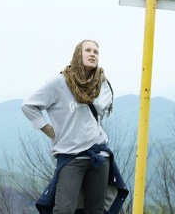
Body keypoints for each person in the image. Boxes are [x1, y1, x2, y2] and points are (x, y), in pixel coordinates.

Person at [21, 39, 128, 214]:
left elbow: (100, 108)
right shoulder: (59, 82)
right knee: (64, 210)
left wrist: (102, 81)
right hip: (71, 156)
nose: (92, 54)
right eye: (88, 50)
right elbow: (28, 105)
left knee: (96, 210)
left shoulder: (99, 83)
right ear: (78, 54)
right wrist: (49, 130)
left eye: (96, 51)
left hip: (99, 155)